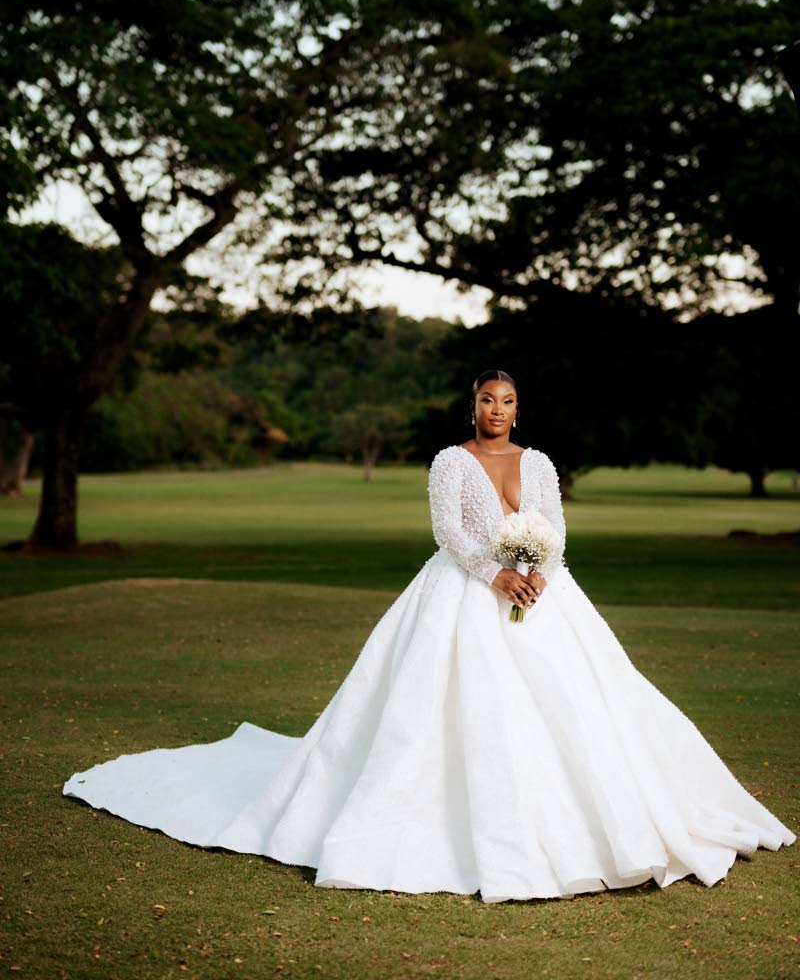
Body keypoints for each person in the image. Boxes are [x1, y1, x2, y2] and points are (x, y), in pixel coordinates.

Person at [63, 369, 796, 902]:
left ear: (519, 408)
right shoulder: (452, 460)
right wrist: (494, 574)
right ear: (471, 404)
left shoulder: (538, 462)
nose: (497, 411)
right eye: (487, 399)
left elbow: (555, 526)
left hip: (545, 595)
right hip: (463, 592)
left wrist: (538, 569)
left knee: (585, 707)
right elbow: (447, 530)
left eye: (508, 401)